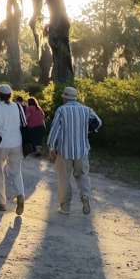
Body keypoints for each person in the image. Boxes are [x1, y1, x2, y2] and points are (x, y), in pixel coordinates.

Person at [47, 86, 101, 214]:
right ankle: (85, 195)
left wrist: (51, 146)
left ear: (65, 98)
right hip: (82, 150)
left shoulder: (61, 110)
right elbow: (98, 122)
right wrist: (88, 129)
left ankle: (65, 207)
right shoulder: (86, 110)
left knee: (64, 178)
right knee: (83, 176)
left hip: (64, 151)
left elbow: (55, 129)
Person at [0, 84, 26, 216]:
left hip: (1, 144)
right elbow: (24, 123)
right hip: (17, 143)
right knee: (15, 171)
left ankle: (0, 202)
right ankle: (20, 195)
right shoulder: (18, 106)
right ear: (11, 95)